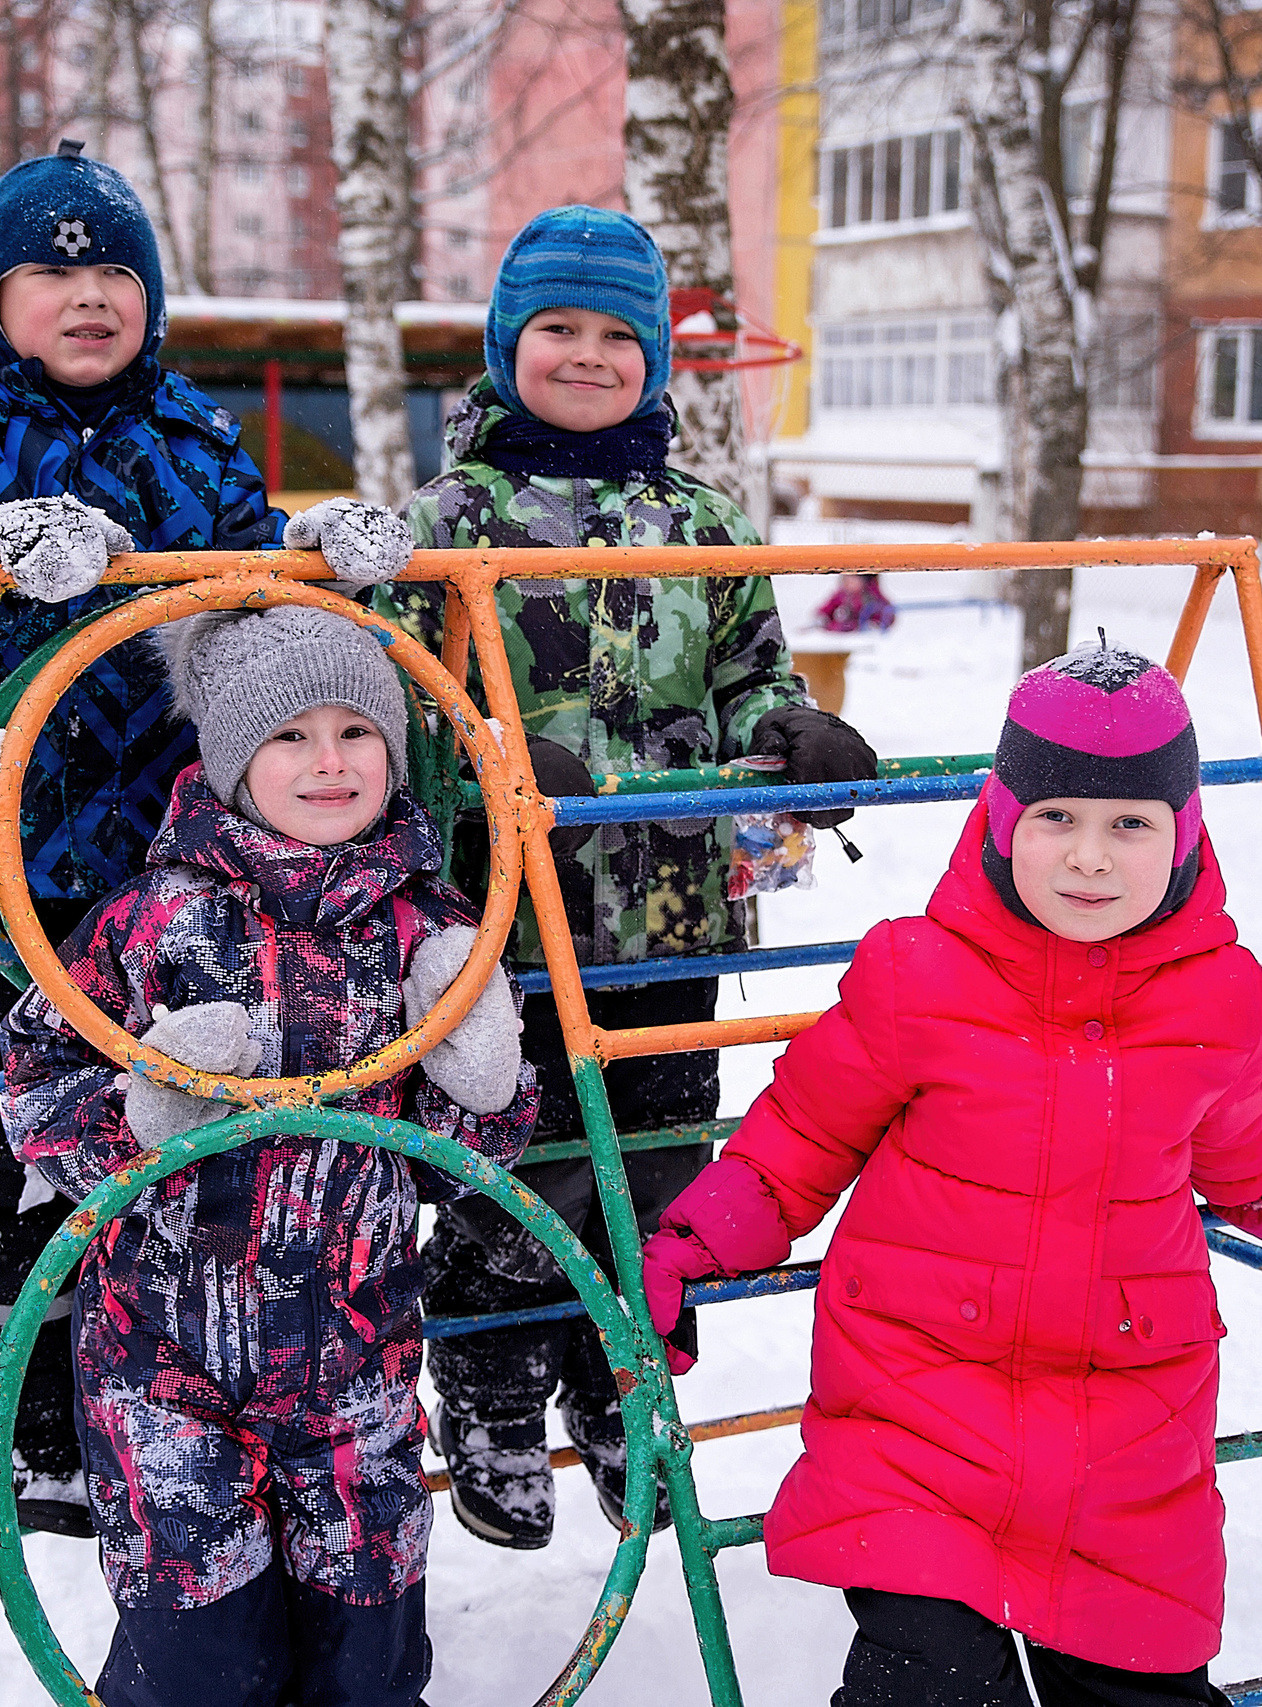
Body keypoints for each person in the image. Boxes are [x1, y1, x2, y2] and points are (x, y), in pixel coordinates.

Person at [0, 140, 416, 1535]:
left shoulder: (193, 436)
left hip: (183, 866)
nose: (87, 295)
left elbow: (252, 586)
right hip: (12, 856)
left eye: (114, 268)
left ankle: (188, 1361)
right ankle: (40, 1409)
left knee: (172, 1103)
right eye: (49, 272)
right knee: (28, 1121)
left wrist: (317, 551)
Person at [639, 641, 1262, 1707]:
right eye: (1055, 818)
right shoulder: (915, 978)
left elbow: (1242, 1146)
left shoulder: (1221, 1004)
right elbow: (800, 1136)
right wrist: (690, 1247)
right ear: (1003, 824)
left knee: (1138, 1678)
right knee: (930, 1682)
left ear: (1185, 836)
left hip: (1129, 1427)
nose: (1089, 858)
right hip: (919, 1406)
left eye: (1131, 825)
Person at [367, 204, 879, 1551]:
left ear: (655, 356)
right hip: (512, 923)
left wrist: (790, 727)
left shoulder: (702, 516)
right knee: (516, 1161)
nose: (587, 355)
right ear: (505, 344)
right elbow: (401, 711)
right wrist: (485, 748)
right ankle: (483, 1382)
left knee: (656, 1155)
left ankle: (612, 1371)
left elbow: (750, 669)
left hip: (674, 912)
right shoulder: (448, 518)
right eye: (557, 329)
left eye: (617, 334)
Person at [0, 604, 538, 1707]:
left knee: (368, 1658)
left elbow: (452, 1164)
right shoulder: (153, 924)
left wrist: (481, 1090)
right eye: (289, 736)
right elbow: (36, 1093)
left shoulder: (426, 930)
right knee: (199, 1663)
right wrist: (136, 1126)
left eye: (357, 731)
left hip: (359, 1364)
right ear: (233, 761)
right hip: (162, 1365)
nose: (329, 761)